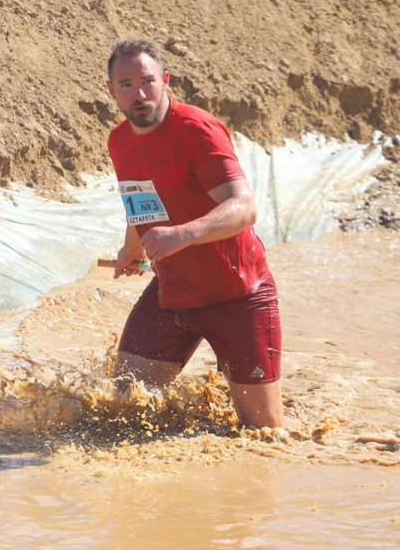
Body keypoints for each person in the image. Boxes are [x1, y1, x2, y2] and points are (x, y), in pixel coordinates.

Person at [104, 39, 295, 429]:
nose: (138, 94)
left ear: (166, 81)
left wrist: (183, 235)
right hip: (171, 295)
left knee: (265, 434)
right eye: (126, 85)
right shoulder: (119, 141)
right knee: (118, 410)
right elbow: (141, 202)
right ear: (112, 91)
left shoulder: (197, 129)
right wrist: (132, 249)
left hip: (239, 298)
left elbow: (245, 207)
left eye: (147, 81)